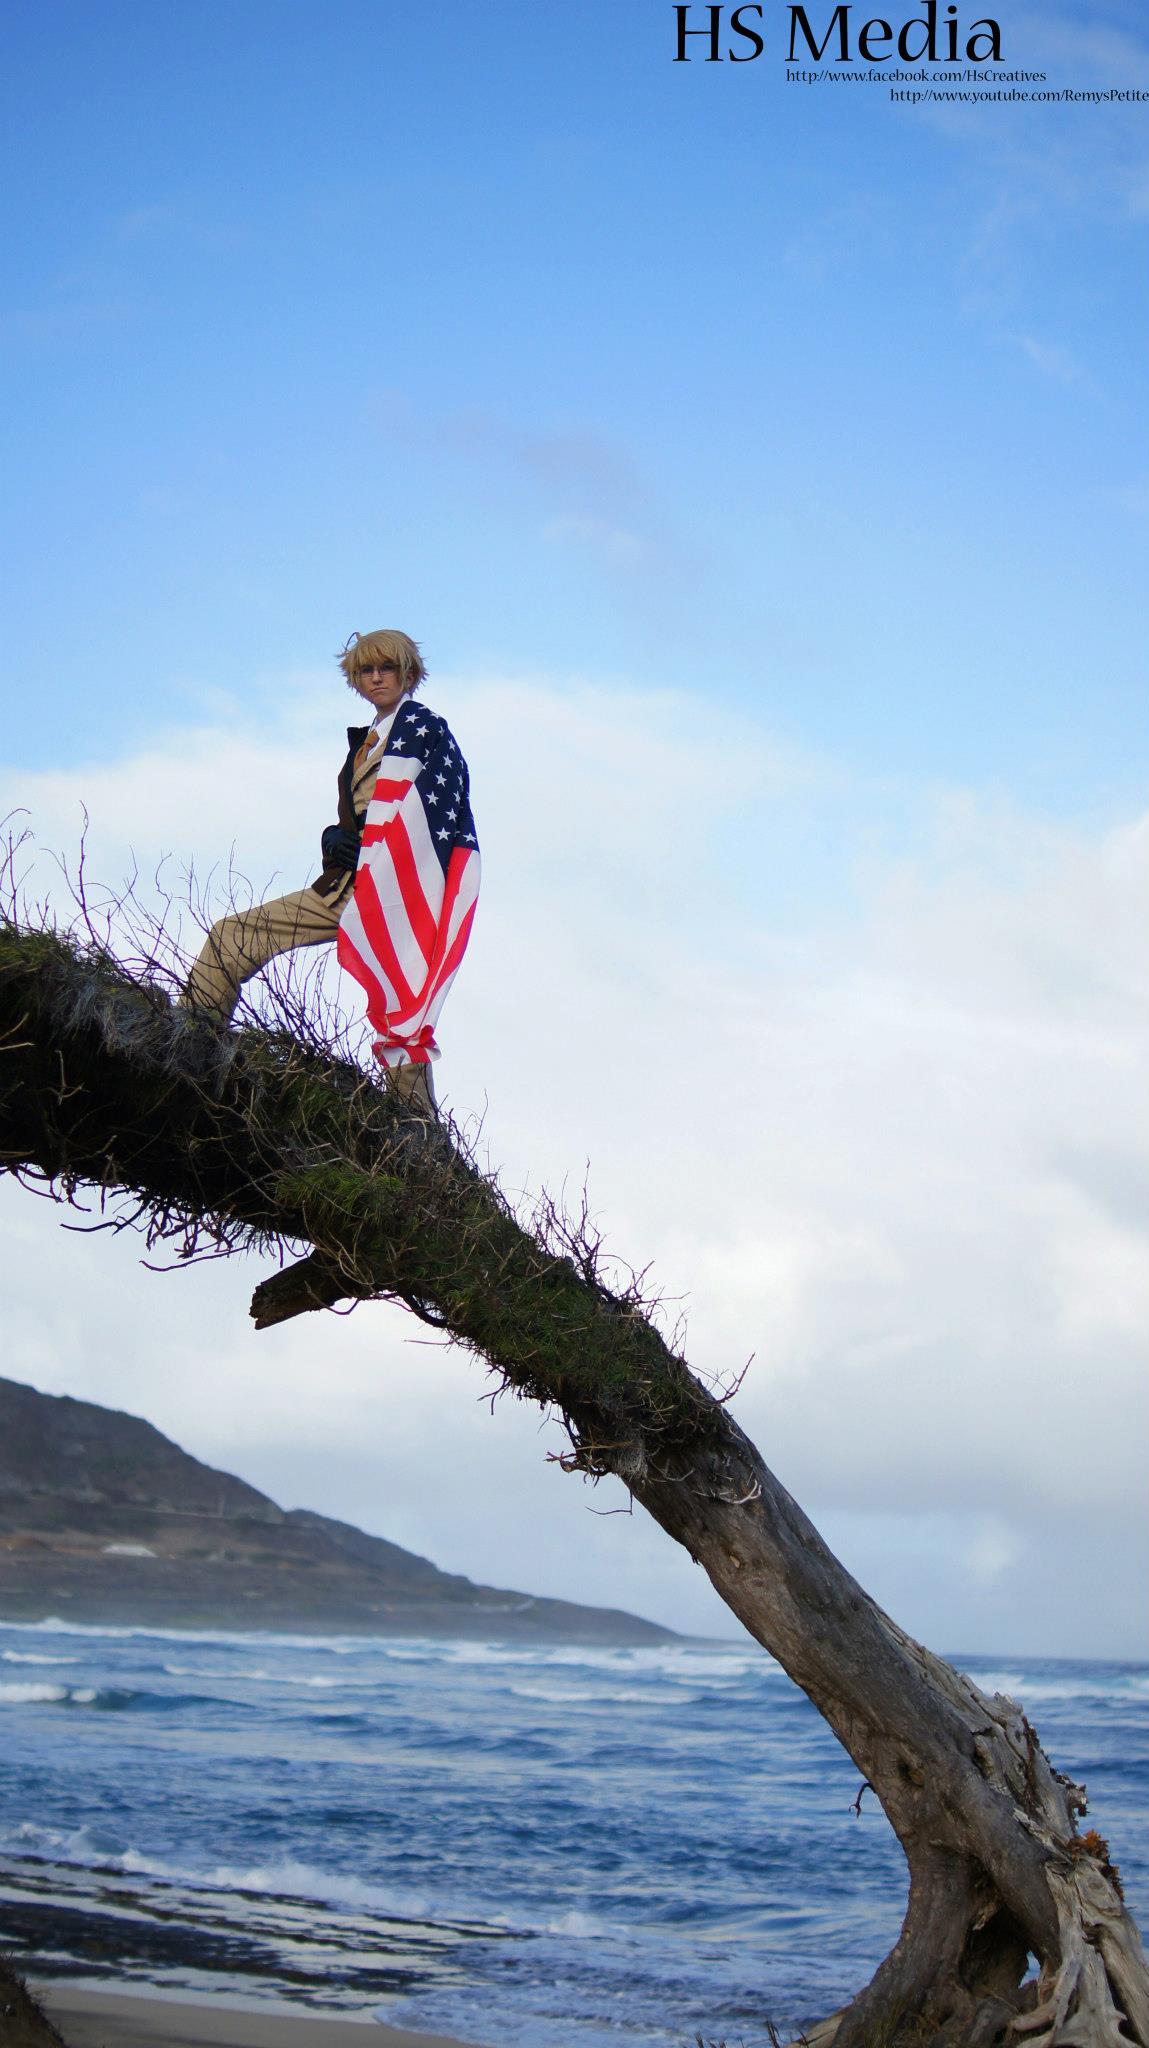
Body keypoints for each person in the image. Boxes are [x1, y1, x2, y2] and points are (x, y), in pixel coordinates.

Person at [180, 630, 480, 1113]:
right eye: (367, 670)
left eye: (387, 668)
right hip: (346, 886)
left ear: (409, 674)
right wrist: (336, 838)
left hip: (396, 891)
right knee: (232, 937)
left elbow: (438, 815)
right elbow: (364, 813)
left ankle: (419, 1136)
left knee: (402, 1010)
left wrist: (378, 853)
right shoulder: (366, 741)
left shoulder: (425, 730)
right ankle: (185, 1047)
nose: (377, 677)